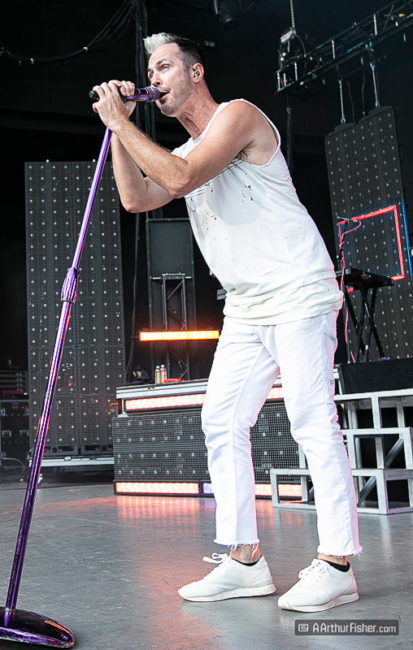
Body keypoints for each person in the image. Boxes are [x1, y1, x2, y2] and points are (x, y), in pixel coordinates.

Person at [92, 32, 362, 612]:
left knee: (311, 420)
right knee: (221, 418)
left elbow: (179, 180)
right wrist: (118, 130)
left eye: (164, 67)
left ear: (195, 73)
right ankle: (244, 561)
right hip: (245, 305)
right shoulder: (184, 151)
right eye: (149, 71)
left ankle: (338, 563)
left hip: (297, 291)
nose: (153, 78)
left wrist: (121, 123)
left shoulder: (238, 117)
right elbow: (136, 198)